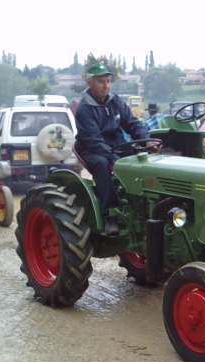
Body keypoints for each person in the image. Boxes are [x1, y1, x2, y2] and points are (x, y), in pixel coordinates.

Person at [75, 63, 150, 235]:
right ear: (90, 83)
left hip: (117, 146)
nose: (106, 86)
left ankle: (140, 205)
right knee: (102, 164)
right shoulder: (84, 110)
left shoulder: (115, 101)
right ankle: (109, 214)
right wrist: (114, 158)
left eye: (108, 81)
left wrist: (146, 140)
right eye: (101, 81)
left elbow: (132, 124)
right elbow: (94, 141)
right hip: (91, 149)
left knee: (144, 158)